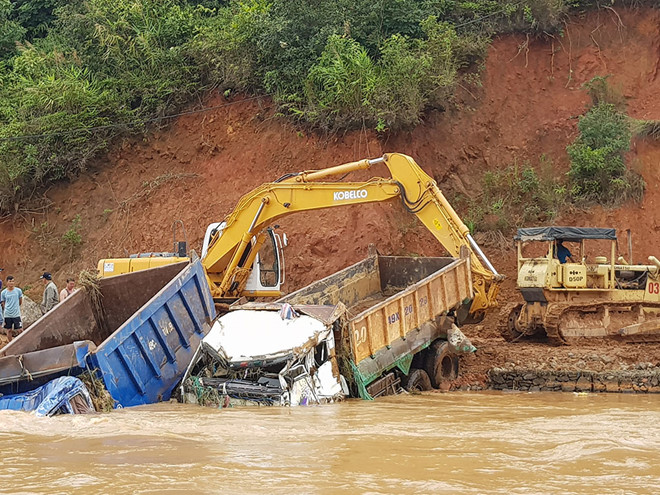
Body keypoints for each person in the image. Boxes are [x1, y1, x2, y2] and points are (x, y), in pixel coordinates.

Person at [1, 276, 23, 341]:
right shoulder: (3, 292)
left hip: (16, 314)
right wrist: (6, 308)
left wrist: (16, 307)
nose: (11, 283)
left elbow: (20, 301)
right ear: (7, 282)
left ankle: (22, 342)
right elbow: (3, 302)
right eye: (10, 281)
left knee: (20, 329)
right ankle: (10, 343)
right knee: (9, 330)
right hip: (8, 314)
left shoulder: (18, 291)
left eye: (13, 281)